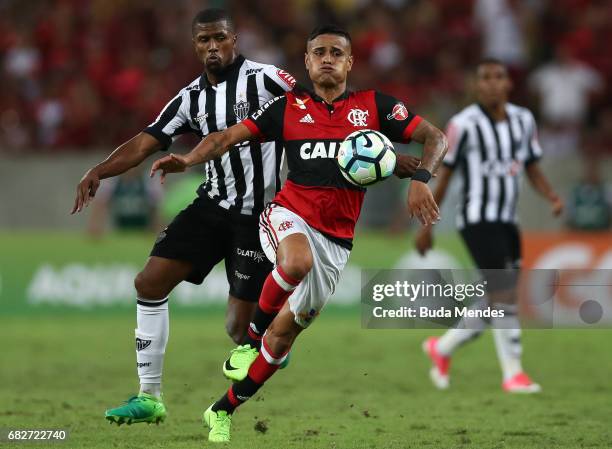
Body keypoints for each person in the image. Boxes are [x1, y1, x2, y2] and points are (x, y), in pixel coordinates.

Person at [71, 9, 420, 426]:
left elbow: (320, 114)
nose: (213, 47)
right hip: (213, 203)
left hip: (262, 215)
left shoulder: (270, 79)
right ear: (195, 45)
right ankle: (149, 397)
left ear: (234, 40)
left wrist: (384, 158)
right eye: (204, 41)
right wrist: (99, 170)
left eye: (220, 38)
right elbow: (147, 141)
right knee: (149, 281)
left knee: (239, 329)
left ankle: (270, 339)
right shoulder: (189, 98)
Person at [151, 24, 448, 442]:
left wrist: (420, 176)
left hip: (337, 241)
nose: (327, 59)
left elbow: (435, 137)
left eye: (336, 52)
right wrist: (186, 159)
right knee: (295, 262)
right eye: (318, 52)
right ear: (307, 62)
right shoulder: (285, 108)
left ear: (349, 62)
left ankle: (223, 409)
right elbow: (224, 138)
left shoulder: (374, 107)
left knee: (285, 336)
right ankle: (248, 343)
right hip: (287, 215)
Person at [415, 58, 564, 393]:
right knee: (504, 293)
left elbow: (532, 166)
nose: (493, 83)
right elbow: (446, 172)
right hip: (477, 217)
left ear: (508, 84)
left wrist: (551, 195)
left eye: (499, 77)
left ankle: (443, 348)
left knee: (496, 295)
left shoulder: (524, 120)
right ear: (476, 85)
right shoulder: (463, 123)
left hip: (508, 219)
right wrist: (428, 224)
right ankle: (513, 373)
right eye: (486, 78)